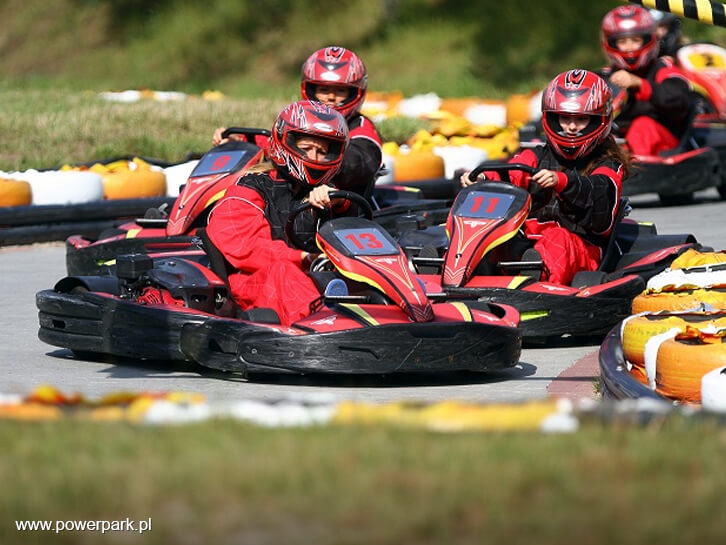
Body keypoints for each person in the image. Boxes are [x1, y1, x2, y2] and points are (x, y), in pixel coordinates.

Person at [460, 69, 631, 286]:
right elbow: (513, 171)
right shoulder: (537, 155)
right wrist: (484, 178)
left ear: (599, 120)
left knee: (556, 239)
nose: (571, 127)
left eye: (581, 119)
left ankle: (534, 282)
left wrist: (562, 181)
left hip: (582, 249)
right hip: (531, 243)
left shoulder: (608, 165)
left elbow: (599, 194)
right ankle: (468, 270)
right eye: (565, 118)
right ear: (551, 117)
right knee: (497, 232)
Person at [206, 100, 352, 326]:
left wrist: (340, 203)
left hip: (316, 277)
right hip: (254, 282)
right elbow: (248, 249)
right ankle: (327, 325)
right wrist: (303, 259)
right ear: (286, 142)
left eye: (322, 151)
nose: (313, 158)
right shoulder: (249, 187)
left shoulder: (327, 192)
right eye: (305, 148)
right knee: (285, 272)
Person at [213, 46, 382, 200]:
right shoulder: (302, 123)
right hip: (296, 200)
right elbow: (283, 144)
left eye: (340, 91)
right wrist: (241, 142)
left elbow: (359, 162)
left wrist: (323, 159)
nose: (331, 97)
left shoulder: (361, 128)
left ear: (355, 93)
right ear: (309, 89)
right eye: (323, 90)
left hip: (340, 206)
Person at [599, 5, 693, 156]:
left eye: (635, 40)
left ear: (648, 40)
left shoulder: (663, 68)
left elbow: (680, 101)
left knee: (642, 128)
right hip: (620, 144)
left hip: (664, 146)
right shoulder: (605, 77)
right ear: (611, 43)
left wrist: (640, 84)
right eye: (622, 41)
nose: (629, 47)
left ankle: (633, 172)